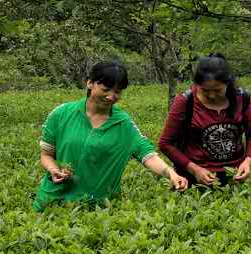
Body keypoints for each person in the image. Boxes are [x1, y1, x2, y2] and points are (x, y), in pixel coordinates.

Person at [35, 59, 188, 211]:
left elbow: (148, 155)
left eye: (117, 91)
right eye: (105, 89)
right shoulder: (61, 114)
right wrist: (53, 169)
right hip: (53, 202)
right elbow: (46, 154)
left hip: (98, 208)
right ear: (89, 83)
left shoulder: (123, 123)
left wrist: (171, 174)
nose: (111, 96)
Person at [159, 53, 251, 186]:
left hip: (234, 176)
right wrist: (194, 169)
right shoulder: (186, 101)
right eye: (205, 91)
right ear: (197, 84)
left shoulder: (242, 98)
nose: (212, 95)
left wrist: (248, 161)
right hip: (195, 179)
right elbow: (165, 143)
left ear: (228, 83)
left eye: (218, 90)